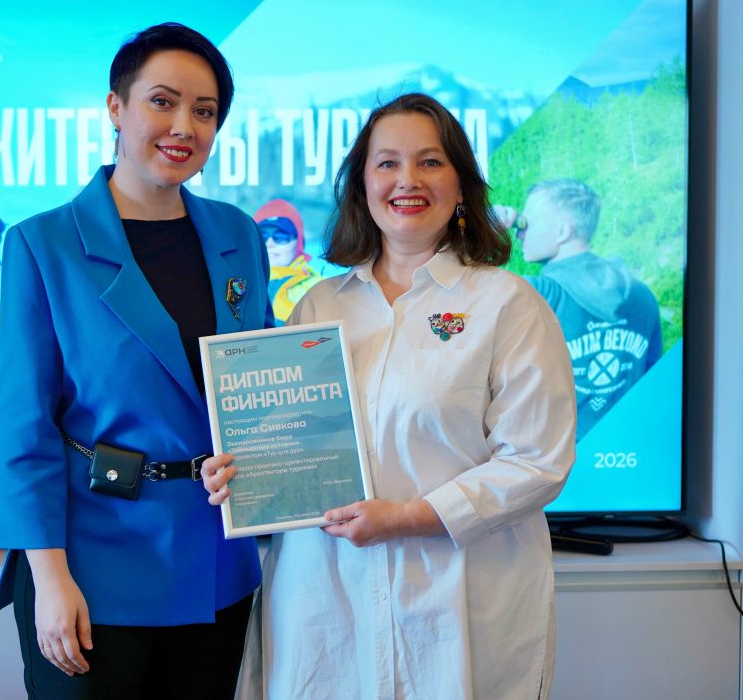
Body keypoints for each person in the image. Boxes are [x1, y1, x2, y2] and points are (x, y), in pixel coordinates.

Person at [203, 93, 577, 699]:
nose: (408, 180)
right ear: (362, 186)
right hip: (325, 604)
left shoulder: (508, 305)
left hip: (457, 603)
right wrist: (241, 471)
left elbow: (537, 462)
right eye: (387, 163)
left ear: (462, 186)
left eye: (430, 162)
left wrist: (408, 518)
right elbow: (287, 446)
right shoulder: (317, 307)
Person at [0, 22, 274, 700]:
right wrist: (50, 579)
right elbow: (25, 432)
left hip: (215, 564)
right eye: (162, 102)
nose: (184, 127)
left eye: (205, 111)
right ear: (116, 107)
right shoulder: (43, 245)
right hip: (90, 568)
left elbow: (261, 379)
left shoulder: (237, 234)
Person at [503, 179, 663, 440]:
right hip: (627, 450)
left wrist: (486, 223)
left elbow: (455, 293)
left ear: (562, 231)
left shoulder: (540, 294)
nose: (520, 232)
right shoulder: (642, 294)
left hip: (559, 457)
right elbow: (654, 384)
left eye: (525, 222)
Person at [252, 199, 322, 324]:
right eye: (262, 237)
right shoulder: (239, 285)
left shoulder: (317, 288)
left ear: (298, 243)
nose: (270, 243)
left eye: (280, 236)